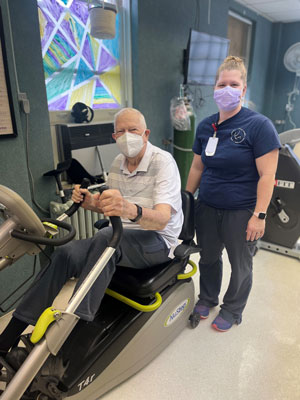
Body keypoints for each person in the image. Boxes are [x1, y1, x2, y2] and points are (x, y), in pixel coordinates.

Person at [0, 107, 183, 366]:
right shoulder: (118, 163)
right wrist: (90, 202)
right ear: (113, 136)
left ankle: (74, 335)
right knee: (65, 252)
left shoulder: (162, 162)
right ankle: (8, 337)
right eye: (121, 131)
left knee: (105, 237)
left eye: (133, 130)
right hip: (120, 237)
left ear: (146, 134)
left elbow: (163, 218)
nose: (127, 135)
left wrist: (130, 209)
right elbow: (111, 207)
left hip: (157, 241)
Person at [186, 56, 281, 332]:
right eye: (221, 83)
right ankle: (207, 297)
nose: (227, 88)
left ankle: (232, 309)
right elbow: (196, 167)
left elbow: (267, 176)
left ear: (243, 88)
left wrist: (259, 216)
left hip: (242, 211)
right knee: (208, 257)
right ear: (214, 88)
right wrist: (186, 200)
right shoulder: (206, 126)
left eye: (233, 84)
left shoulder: (259, 126)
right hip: (207, 207)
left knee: (240, 265)